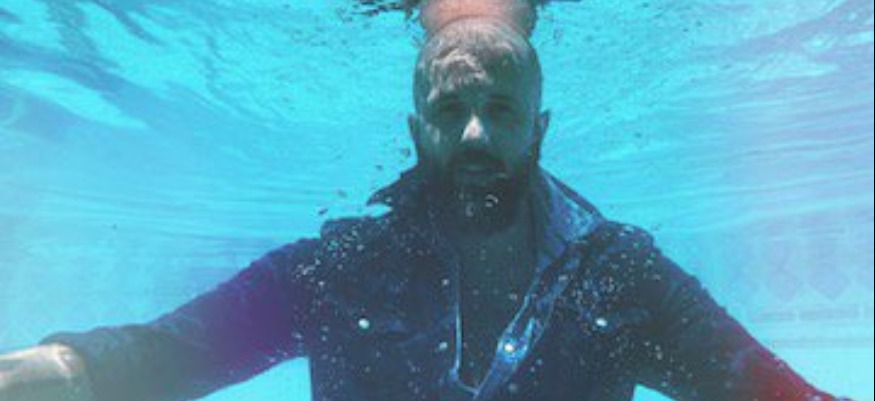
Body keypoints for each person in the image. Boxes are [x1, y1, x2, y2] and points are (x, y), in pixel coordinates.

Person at [0, 1, 854, 400]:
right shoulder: (335, 274)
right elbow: (162, 357)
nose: (475, 134)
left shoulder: (617, 278)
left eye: (501, 110)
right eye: (450, 111)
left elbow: (768, 392)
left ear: (539, 129)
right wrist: (45, 375)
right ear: (417, 131)